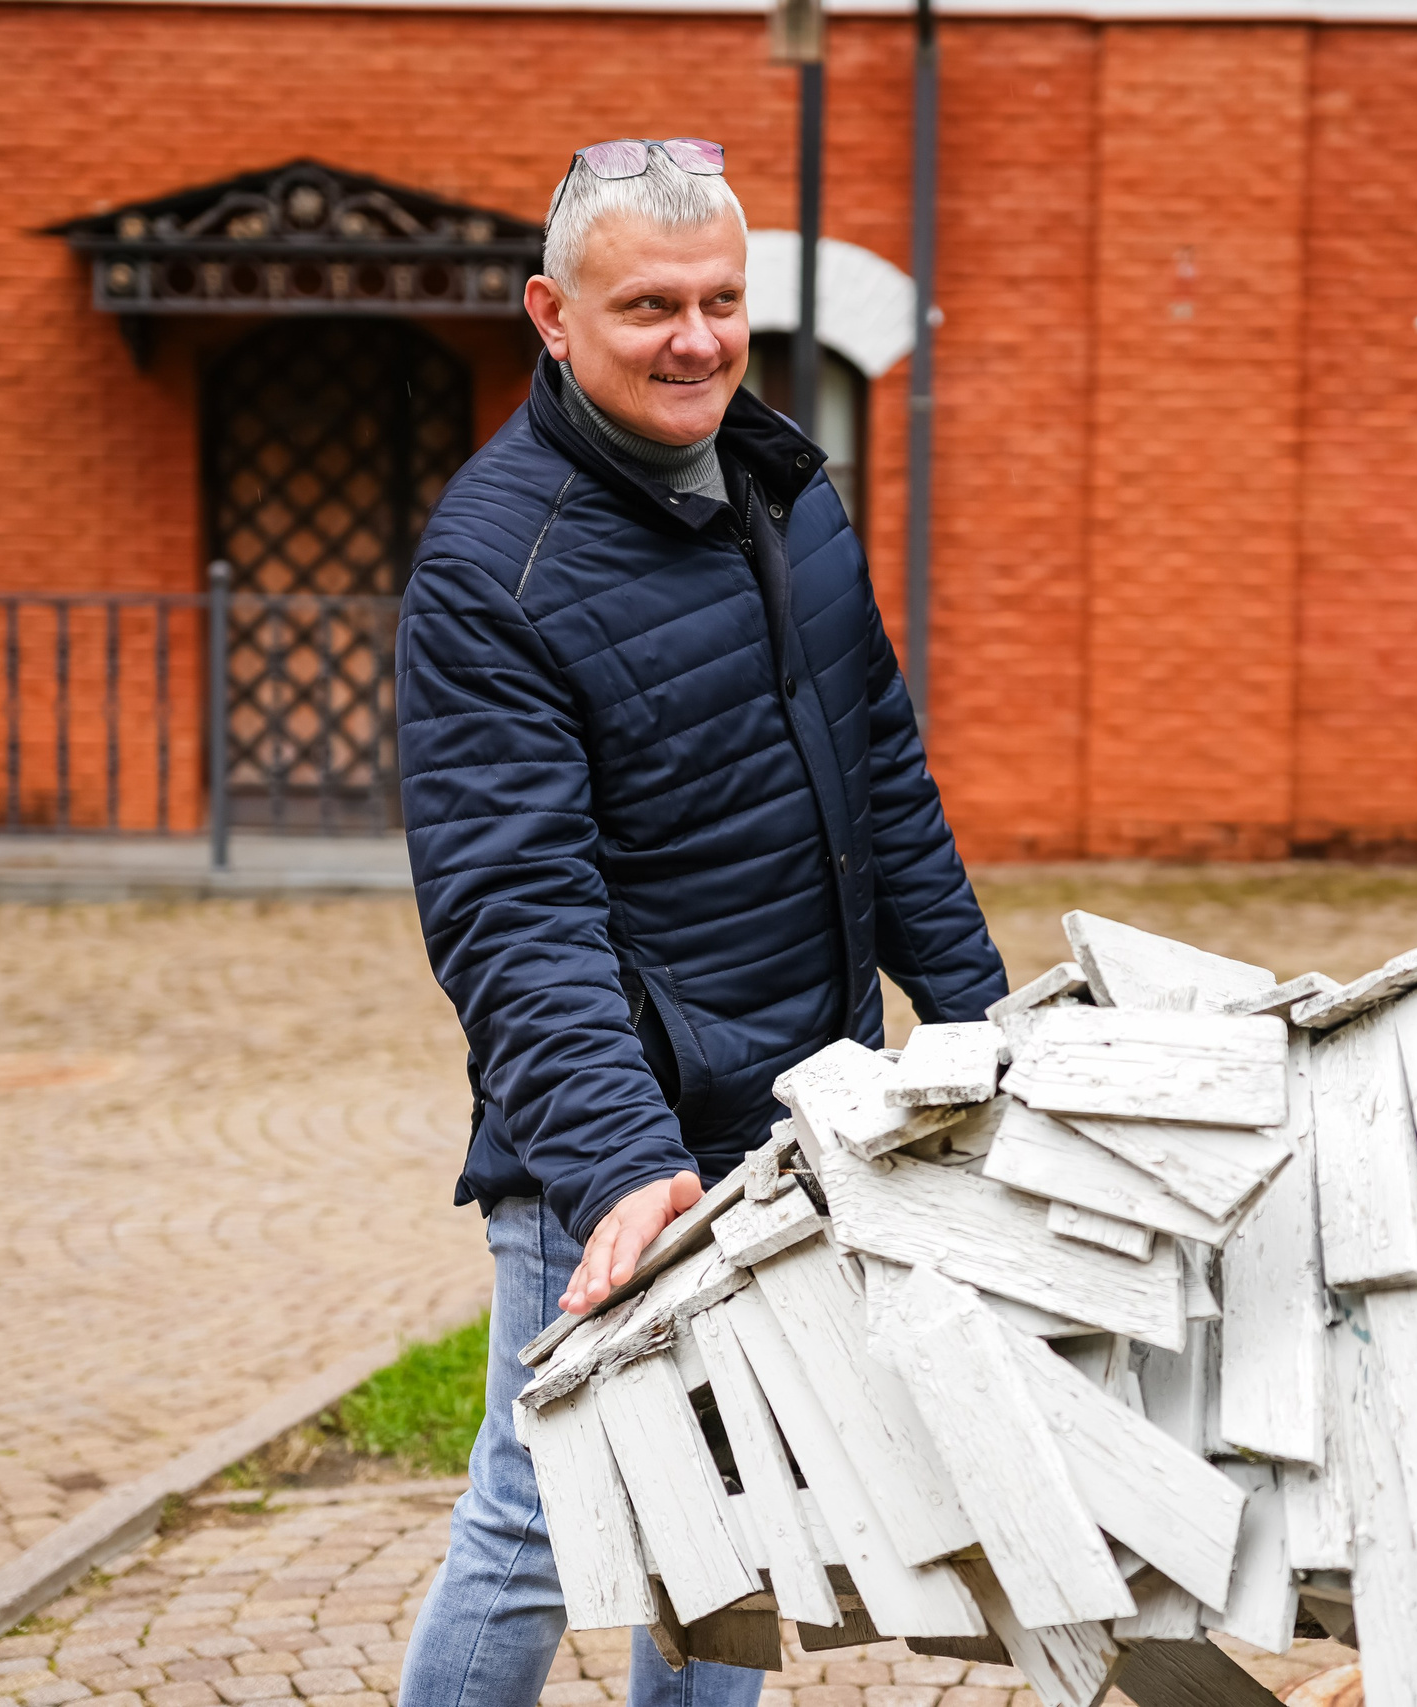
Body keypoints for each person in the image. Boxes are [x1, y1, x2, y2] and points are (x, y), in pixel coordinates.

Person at [393, 137, 1009, 1707]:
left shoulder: (781, 485)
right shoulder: (493, 567)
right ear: (551, 312)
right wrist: (617, 1166)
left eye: (721, 300)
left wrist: (982, 1024)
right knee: (544, 1518)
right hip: (624, 1139)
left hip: (804, 1102)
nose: (696, 338)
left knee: (738, 1514)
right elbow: (511, 909)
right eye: (648, 305)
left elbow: (880, 763)